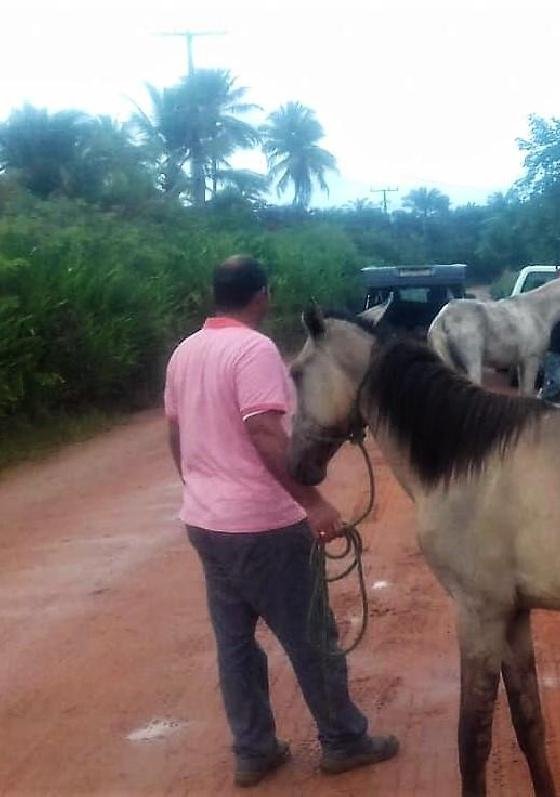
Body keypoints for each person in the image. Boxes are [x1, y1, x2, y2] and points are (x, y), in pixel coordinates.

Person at [164, 255, 398, 788]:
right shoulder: (254, 349)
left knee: (235, 645)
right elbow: (266, 433)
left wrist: (197, 487)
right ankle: (343, 740)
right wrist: (312, 502)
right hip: (263, 525)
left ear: (216, 293)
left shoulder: (185, 351)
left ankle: (254, 750)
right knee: (311, 637)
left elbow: (174, 430)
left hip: (207, 524)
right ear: (261, 294)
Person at [539, 317, 560, 405]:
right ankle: (543, 401)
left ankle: (559, 403)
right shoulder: (554, 314)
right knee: (557, 382)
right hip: (552, 353)